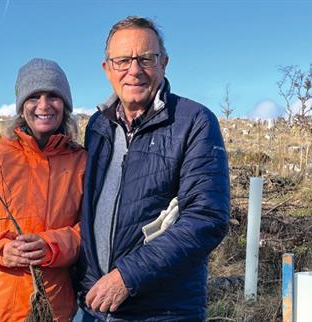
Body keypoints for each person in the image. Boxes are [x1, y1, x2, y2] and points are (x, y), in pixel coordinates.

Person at [75, 16, 230, 321]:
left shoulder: (194, 121)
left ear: (164, 63)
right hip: (95, 305)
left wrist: (127, 278)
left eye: (146, 58)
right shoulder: (97, 126)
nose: (134, 70)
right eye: (122, 60)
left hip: (162, 310)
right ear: (107, 69)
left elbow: (207, 218)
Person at [0, 58, 86, 321]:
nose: (44, 105)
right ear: (22, 106)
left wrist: (53, 245)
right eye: (34, 97)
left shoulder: (81, 162)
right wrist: (0, 249)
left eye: (53, 96)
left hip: (53, 307)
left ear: (65, 104)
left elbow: (89, 231)